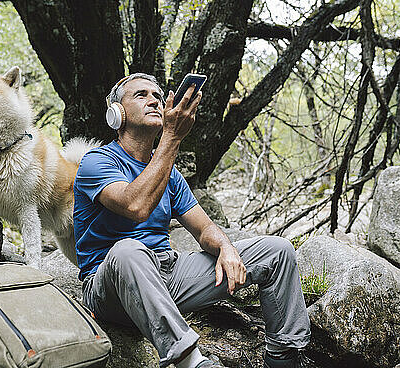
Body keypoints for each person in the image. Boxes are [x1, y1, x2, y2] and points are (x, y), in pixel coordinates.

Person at [73, 73, 311, 368]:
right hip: (112, 286)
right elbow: (135, 206)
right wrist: (172, 138)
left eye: (157, 97)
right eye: (141, 95)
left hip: (168, 275)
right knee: (127, 250)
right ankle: (191, 361)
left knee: (277, 251)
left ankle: (283, 358)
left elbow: (204, 228)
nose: (154, 101)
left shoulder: (168, 173)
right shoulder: (97, 161)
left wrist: (226, 248)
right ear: (116, 114)